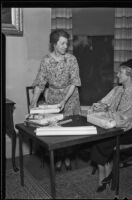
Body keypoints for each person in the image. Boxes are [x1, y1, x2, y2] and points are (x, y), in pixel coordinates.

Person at [88, 59, 132, 192]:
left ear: (129, 75)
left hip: (128, 131)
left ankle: (105, 172)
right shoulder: (117, 90)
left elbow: (127, 120)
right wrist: (96, 107)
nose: (117, 75)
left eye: (120, 72)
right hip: (112, 127)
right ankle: (106, 166)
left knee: (102, 142)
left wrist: (108, 113)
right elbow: (103, 102)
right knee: (95, 136)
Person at [30, 29, 81, 171]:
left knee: (69, 130)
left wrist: (64, 100)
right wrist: (33, 100)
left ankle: (67, 158)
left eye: (67, 43)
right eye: (62, 43)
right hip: (53, 98)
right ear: (54, 44)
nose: (66, 46)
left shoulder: (71, 59)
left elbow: (74, 82)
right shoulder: (46, 61)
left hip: (70, 97)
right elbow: (40, 83)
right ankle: (58, 158)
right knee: (57, 130)